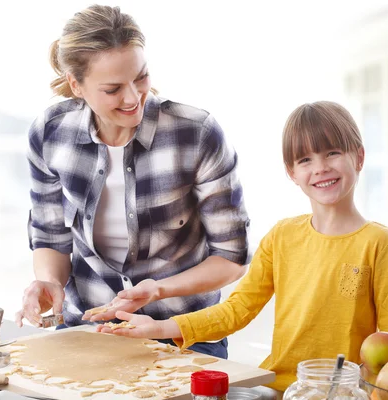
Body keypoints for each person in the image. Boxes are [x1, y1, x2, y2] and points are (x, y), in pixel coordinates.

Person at [97, 101, 388, 391]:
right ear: (292, 173)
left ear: (358, 157)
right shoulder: (282, 236)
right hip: (281, 389)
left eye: (332, 153)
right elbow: (237, 310)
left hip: (346, 393)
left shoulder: (379, 244)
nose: (320, 168)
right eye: (305, 159)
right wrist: (161, 327)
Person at [15, 4, 250, 359]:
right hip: (87, 330)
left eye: (140, 77)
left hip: (183, 333)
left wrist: (158, 290)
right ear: (76, 85)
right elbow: (51, 237)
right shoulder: (51, 133)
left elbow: (232, 258)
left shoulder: (195, 133)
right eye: (113, 89)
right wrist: (48, 282)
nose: (133, 97)